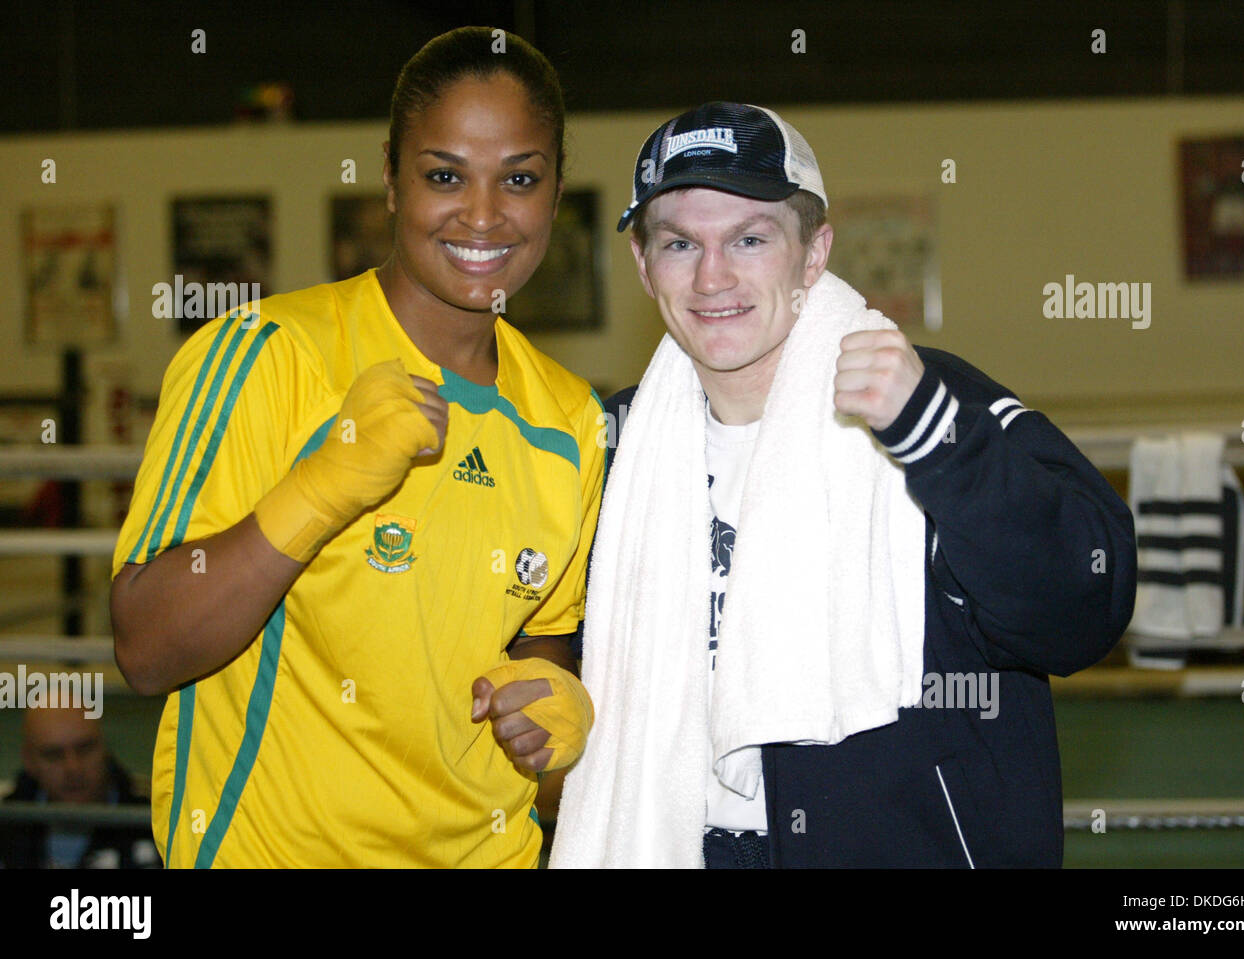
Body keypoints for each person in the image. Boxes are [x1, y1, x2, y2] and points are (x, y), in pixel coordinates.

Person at [551, 102, 1137, 868]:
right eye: (679, 243)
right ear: (641, 263)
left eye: (750, 239)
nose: (712, 276)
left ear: (815, 252)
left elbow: (1083, 612)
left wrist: (937, 440)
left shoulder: (931, 399)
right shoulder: (617, 445)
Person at [109, 27, 603, 868]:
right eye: (444, 175)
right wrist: (321, 489)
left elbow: (538, 643)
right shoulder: (266, 357)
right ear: (389, 178)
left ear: (556, 194)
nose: (483, 214)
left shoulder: (570, 421)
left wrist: (558, 704)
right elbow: (146, 648)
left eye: (519, 178)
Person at [0, 708, 160, 869]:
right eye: (53, 754)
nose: (73, 768)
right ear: (29, 760)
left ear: (105, 747)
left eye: (85, 749)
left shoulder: (155, 821)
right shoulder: (6, 826)